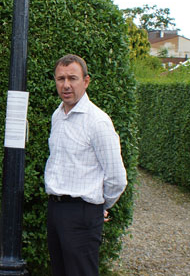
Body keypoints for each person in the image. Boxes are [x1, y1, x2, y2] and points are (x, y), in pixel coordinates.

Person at [44, 54, 127, 276]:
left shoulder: (97, 121)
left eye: (72, 78)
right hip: (56, 209)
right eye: (60, 79)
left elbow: (117, 178)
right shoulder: (57, 115)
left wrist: (98, 206)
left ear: (86, 81)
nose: (66, 85)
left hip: (82, 213)